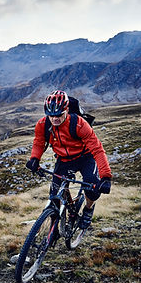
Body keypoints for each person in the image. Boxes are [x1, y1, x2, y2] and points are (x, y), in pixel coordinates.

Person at [26, 90, 112, 229]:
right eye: (51, 116)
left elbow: (97, 149)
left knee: (91, 188)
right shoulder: (43, 124)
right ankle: (53, 229)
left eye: (59, 115)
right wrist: (35, 159)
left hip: (85, 158)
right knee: (54, 196)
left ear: (66, 110)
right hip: (64, 160)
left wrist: (106, 177)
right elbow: (39, 142)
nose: (55, 119)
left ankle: (88, 209)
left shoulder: (78, 124)